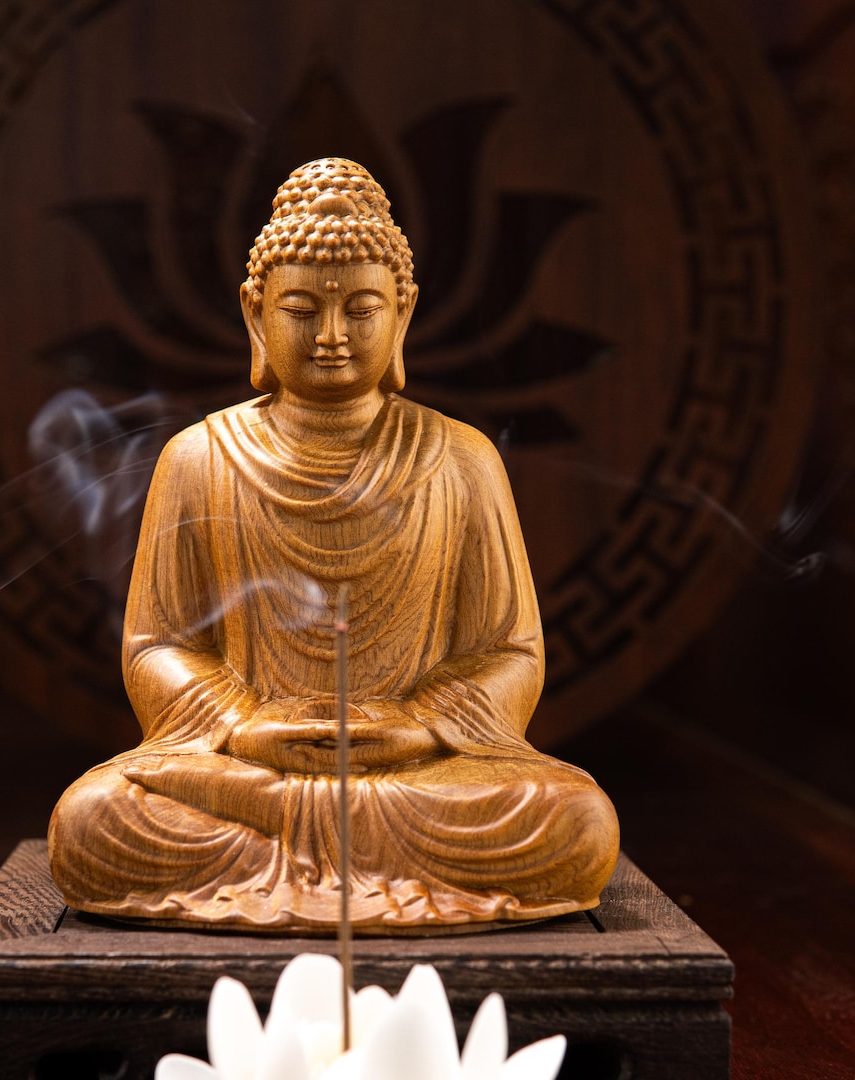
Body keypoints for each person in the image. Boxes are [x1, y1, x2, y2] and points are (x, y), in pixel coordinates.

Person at [48, 158, 619, 929]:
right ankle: (340, 870)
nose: (330, 336)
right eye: (300, 309)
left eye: (361, 308)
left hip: (415, 775)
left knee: (574, 821)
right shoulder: (199, 457)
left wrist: (420, 723)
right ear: (254, 314)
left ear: (404, 313)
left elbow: (512, 652)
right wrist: (243, 724)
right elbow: (156, 645)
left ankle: (303, 871)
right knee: (93, 820)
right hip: (251, 771)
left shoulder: (462, 459)